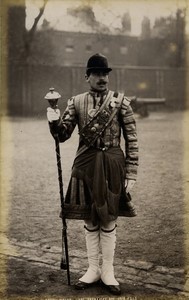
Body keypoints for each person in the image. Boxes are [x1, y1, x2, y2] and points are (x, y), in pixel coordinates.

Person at [47, 53, 139, 295]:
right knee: (89, 217)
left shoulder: (121, 102)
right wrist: (54, 120)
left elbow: (132, 140)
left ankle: (108, 272)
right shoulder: (75, 102)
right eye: (97, 74)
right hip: (85, 165)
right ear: (86, 76)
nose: (102, 78)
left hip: (112, 164)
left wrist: (131, 171)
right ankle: (92, 269)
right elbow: (63, 135)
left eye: (105, 74)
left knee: (108, 217)